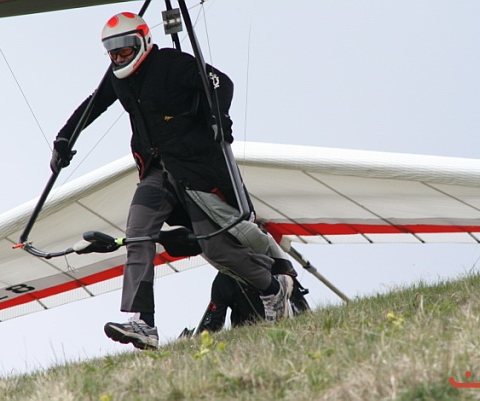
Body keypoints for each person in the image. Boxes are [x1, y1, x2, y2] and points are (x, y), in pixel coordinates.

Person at [51, 12, 296, 350]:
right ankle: (144, 323)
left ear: (143, 41)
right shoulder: (118, 77)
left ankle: (272, 288)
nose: (119, 57)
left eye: (125, 50)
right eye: (112, 52)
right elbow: (93, 105)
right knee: (138, 232)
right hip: (156, 170)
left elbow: (221, 82)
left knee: (216, 248)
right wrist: (64, 138)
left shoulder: (171, 64)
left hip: (195, 169)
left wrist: (218, 117)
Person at [194, 271, 310, 334]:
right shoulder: (222, 282)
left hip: (283, 325)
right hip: (247, 333)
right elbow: (214, 323)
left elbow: (298, 302)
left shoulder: (269, 261)